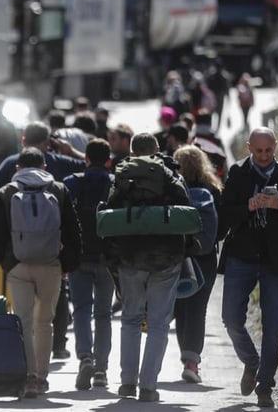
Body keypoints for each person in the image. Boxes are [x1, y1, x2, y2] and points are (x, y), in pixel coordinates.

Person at [0, 148, 82, 398]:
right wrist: (66, 266)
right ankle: (40, 377)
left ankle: (27, 375)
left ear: (17, 168)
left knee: (23, 320)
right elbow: (72, 231)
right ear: (44, 167)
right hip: (51, 264)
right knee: (44, 322)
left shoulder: (7, 192)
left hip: (17, 265)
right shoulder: (59, 190)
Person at [218, 127, 278, 409]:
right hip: (242, 256)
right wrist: (249, 206)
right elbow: (225, 212)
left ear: (275, 146)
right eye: (259, 151)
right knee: (231, 318)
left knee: (273, 327)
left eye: (269, 150)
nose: (264, 156)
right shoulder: (238, 173)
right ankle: (250, 361)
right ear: (249, 148)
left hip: (275, 259)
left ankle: (265, 386)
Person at [105, 133, 191, 403]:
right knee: (158, 322)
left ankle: (127, 383)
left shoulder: (121, 176)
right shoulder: (169, 175)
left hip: (131, 256)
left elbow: (111, 214)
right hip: (165, 257)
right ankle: (148, 385)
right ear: (156, 150)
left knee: (130, 318)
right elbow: (185, 209)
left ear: (132, 152)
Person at [62, 139, 115, 391]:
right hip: (107, 257)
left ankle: (85, 357)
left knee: (81, 308)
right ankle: (102, 370)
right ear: (108, 160)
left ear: (85, 158)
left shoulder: (72, 182)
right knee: (103, 313)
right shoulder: (115, 183)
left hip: (78, 255)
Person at [171, 144, 222, 384]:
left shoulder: (171, 188)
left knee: (181, 306)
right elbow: (222, 228)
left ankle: (186, 359)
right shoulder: (213, 189)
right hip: (205, 257)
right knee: (197, 308)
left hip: (177, 255)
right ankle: (192, 362)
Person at [0, 121, 85, 214]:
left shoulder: (10, 163)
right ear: (47, 142)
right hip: (53, 228)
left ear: (23, 141)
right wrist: (71, 151)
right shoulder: (60, 162)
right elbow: (92, 165)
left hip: (15, 229)